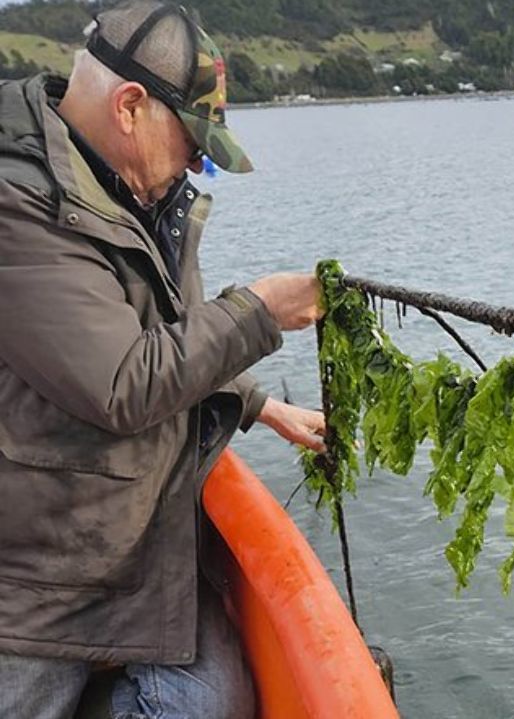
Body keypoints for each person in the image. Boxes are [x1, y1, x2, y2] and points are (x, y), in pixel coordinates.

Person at [0, 2, 326, 717]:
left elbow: (161, 330)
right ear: (130, 107)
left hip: (135, 547)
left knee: (212, 701)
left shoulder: (140, 187)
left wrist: (255, 400)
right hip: (37, 578)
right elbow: (122, 379)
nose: (200, 164)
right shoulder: (16, 202)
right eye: (193, 142)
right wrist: (261, 312)